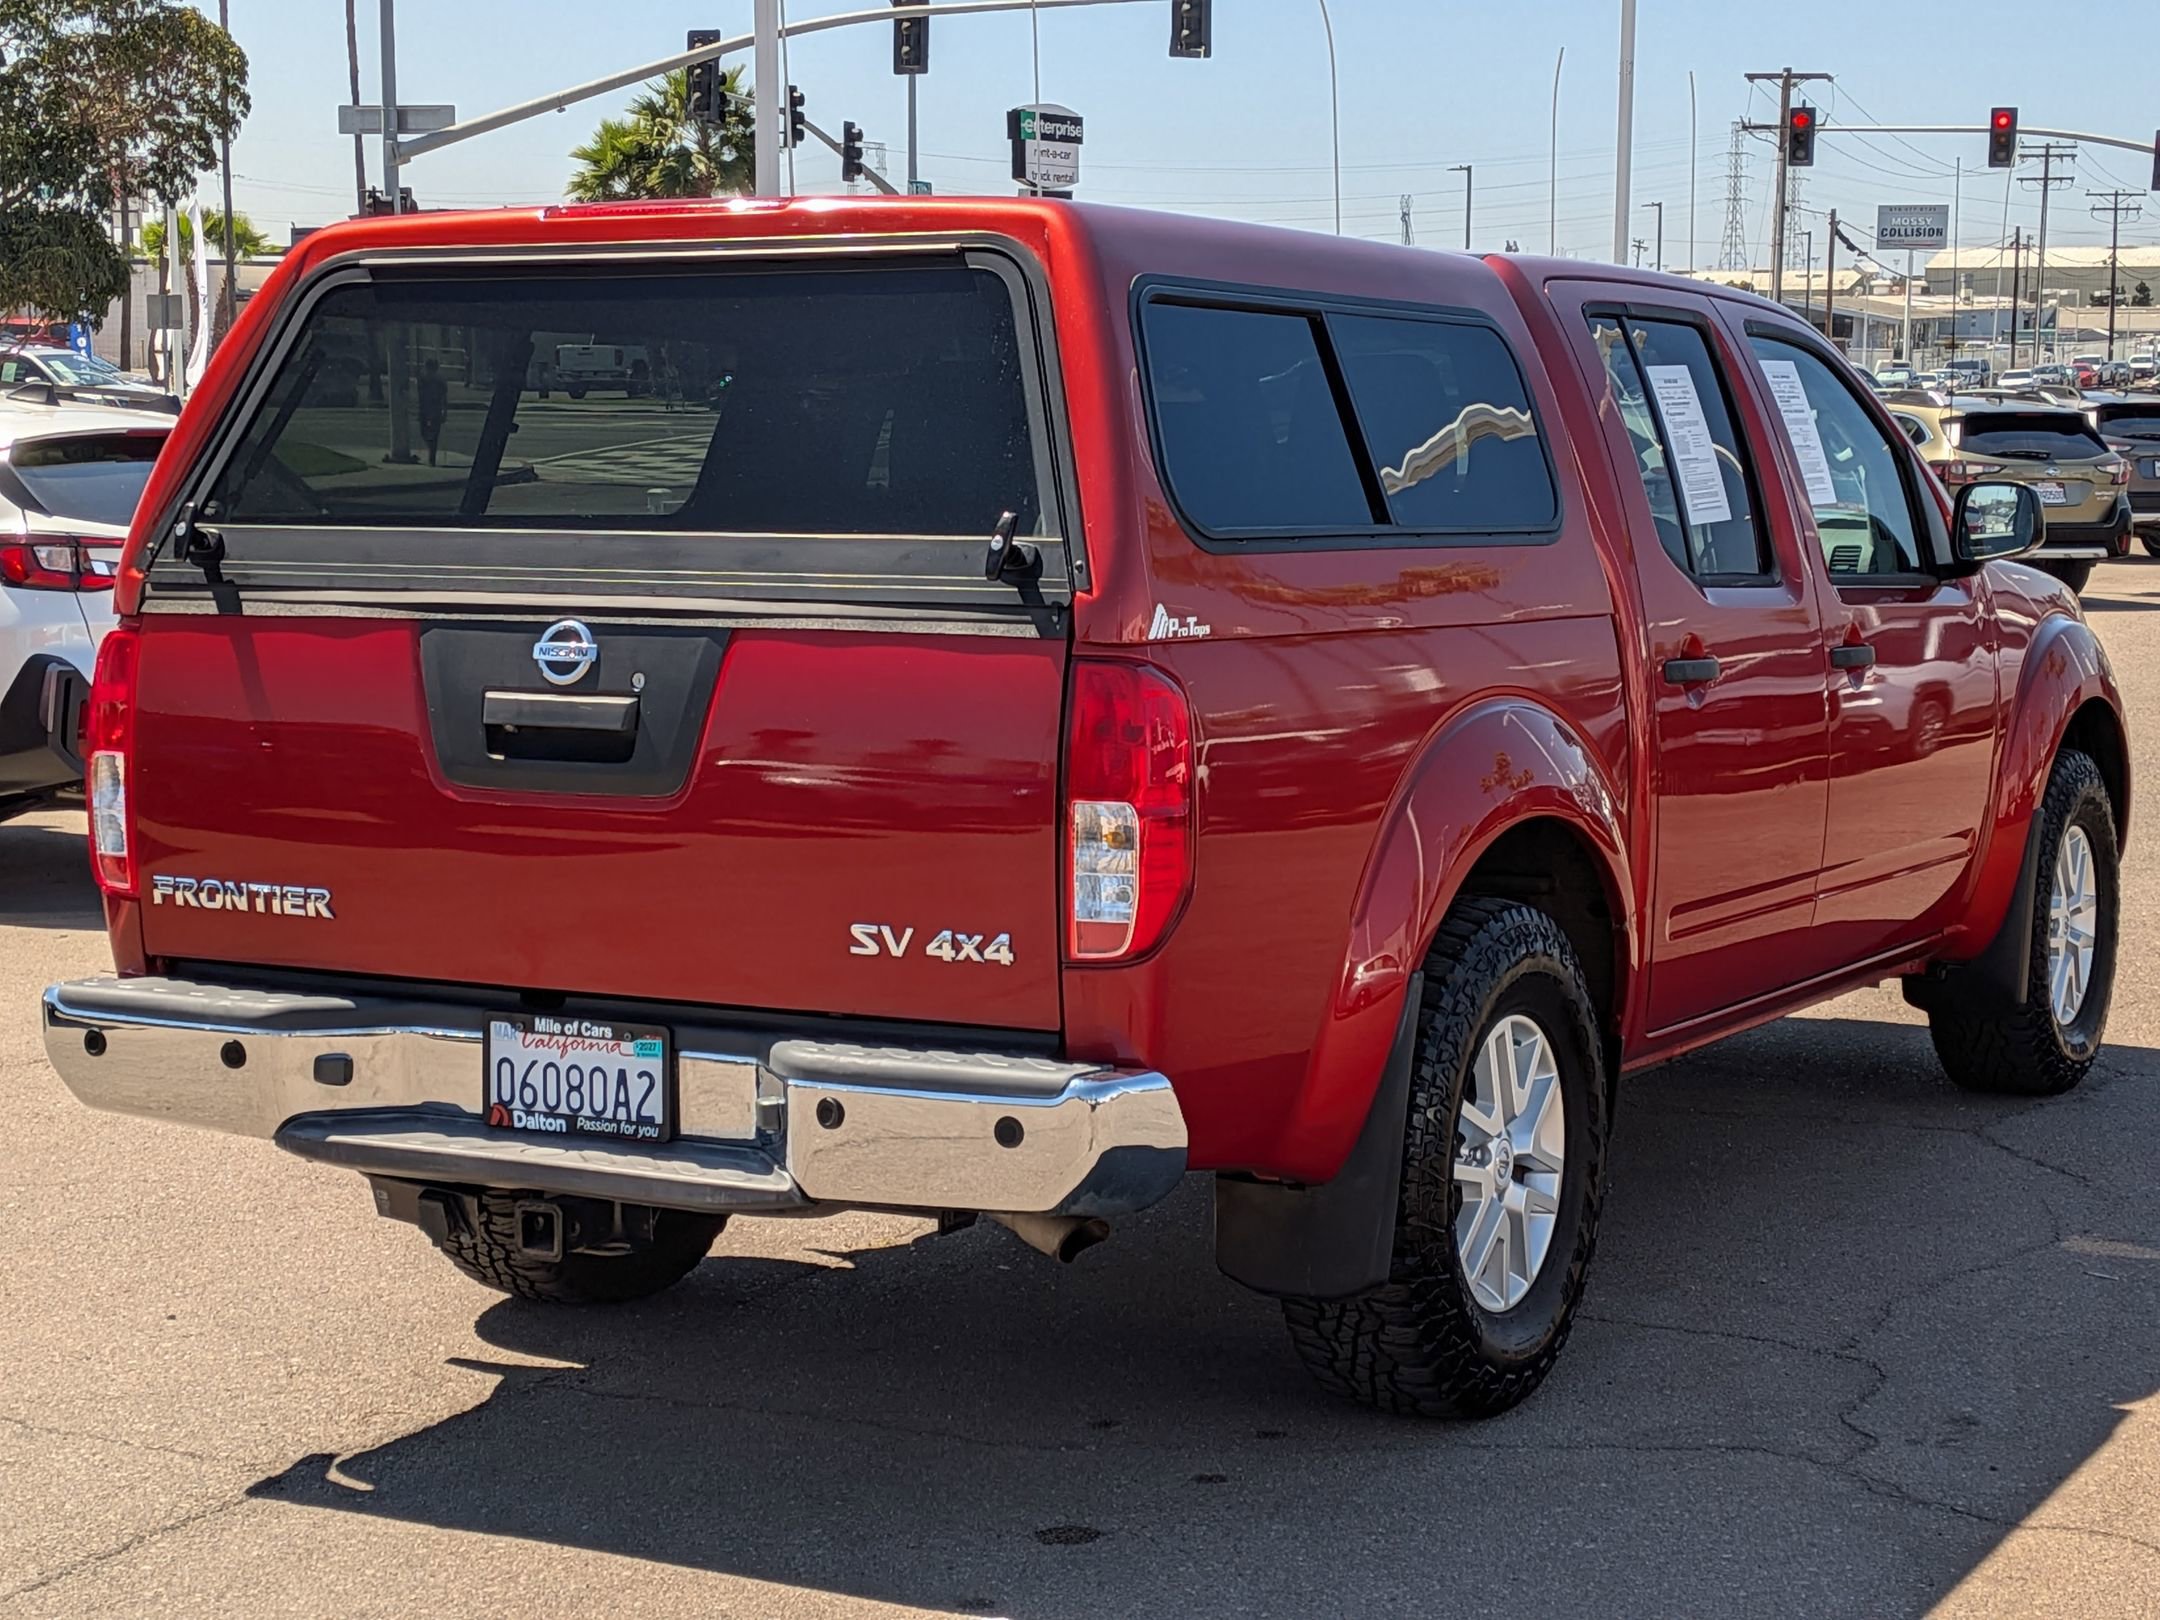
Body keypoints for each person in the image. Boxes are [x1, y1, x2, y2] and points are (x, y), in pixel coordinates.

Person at [417, 358, 448, 466]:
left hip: (435, 409)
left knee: (434, 434)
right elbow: (420, 396)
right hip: (425, 408)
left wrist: (444, 411)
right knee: (424, 432)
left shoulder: (439, 381)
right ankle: (431, 449)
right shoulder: (422, 379)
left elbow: (444, 397)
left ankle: (432, 458)